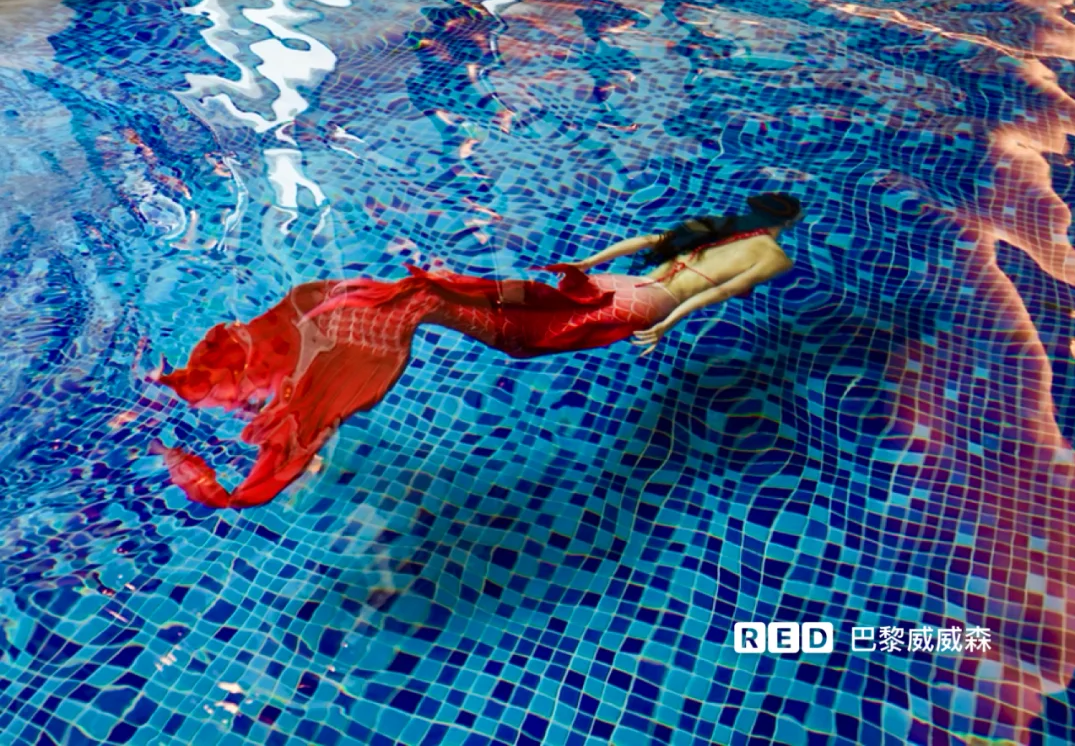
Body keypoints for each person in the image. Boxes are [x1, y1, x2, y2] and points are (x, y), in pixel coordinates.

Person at [154, 192, 803, 510]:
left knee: (438, 297)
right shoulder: (772, 254)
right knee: (443, 308)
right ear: (783, 225)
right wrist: (664, 326)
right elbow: (716, 293)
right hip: (643, 306)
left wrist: (583, 265)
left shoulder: (714, 232)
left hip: (616, 285)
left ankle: (277, 380)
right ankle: (304, 396)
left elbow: (642, 246)